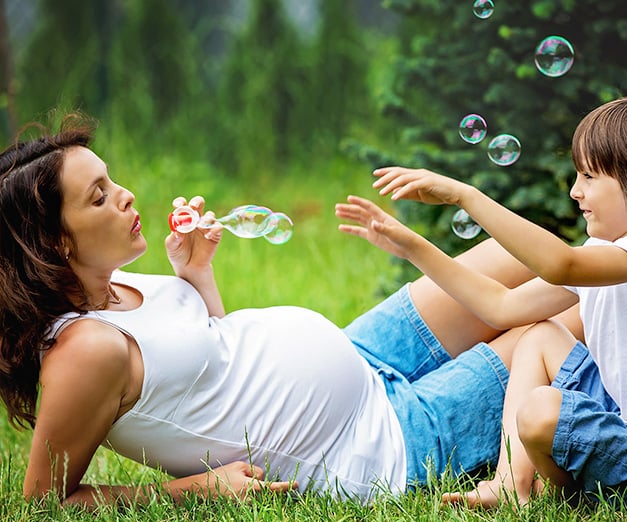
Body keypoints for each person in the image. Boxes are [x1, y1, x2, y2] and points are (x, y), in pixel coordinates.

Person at [0, 115, 582, 507]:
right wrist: (196, 489)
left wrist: (196, 274)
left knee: (515, 255)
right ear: (56, 245)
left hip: (363, 355)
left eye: (111, 179)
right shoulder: (85, 351)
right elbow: (44, 502)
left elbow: (211, 368)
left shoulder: (112, 278)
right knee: (562, 324)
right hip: (373, 445)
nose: (124, 194)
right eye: (98, 197)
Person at [335, 95, 627, 507]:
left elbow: (561, 264)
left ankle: (561, 492)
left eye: (590, 176)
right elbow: (501, 306)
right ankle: (512, 483)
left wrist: (467, 197)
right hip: (626, 423)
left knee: (542, 412)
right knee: (538, 337)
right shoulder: (605, 254)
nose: (575, 191)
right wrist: (414, 248)